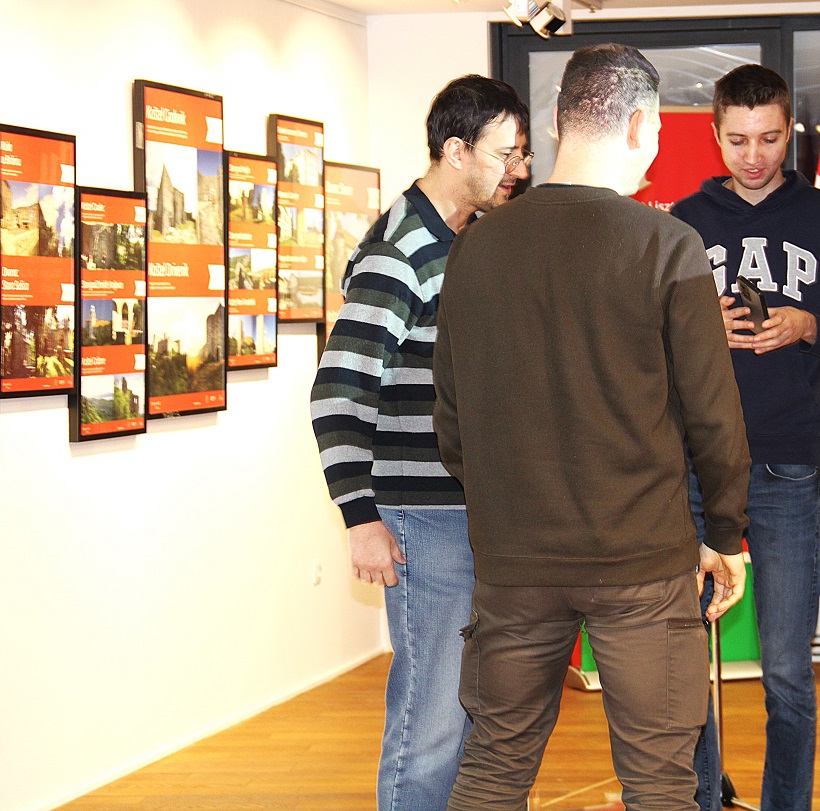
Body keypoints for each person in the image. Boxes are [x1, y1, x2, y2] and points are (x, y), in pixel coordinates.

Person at [433, 43, 753, 811]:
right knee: (661, 780)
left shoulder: (476, 244)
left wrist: (503, 504)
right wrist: (726, 530)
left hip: (515, 559)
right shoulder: (665, 244)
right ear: (640, 125)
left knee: (494, 766)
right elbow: (713, 413)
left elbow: (451, 416)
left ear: (556, 121)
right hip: (641, 558)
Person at [308, 74, 530, 811]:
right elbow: (338, 390)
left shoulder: (461, 240)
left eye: (522, 153)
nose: (517, 169)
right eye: (505, 153)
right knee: (429, 720)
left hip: (467, 515)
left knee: (467, 714)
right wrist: (361, 517)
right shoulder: (400, 249)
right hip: (422, 521)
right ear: (457, 151)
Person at [670, 64, 820, 811]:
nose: (754, 155)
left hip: (790, 462)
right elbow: (642, 342)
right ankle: (703, 793)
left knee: (788, 669)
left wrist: (809, 325)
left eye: (768, 138)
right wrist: (699, 326)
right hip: (696, 466)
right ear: (715, 133)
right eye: (738, 140)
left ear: (789, 130)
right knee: (684, 660)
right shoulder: (682, 221)